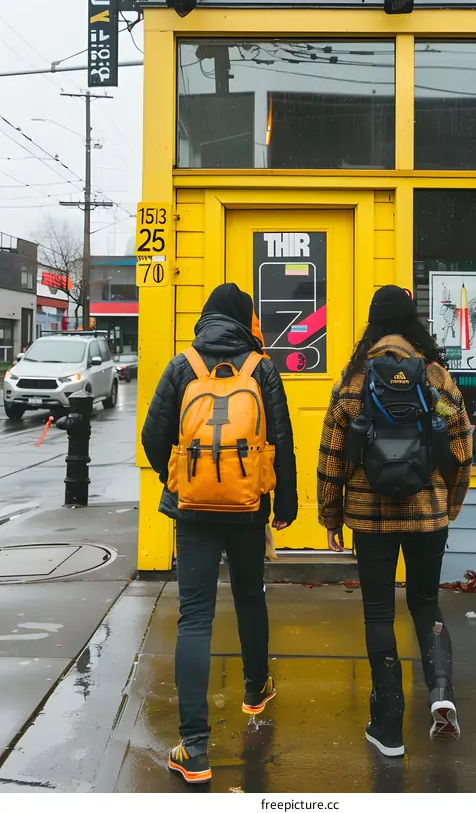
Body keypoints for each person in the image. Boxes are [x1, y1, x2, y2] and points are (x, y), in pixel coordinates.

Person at [142, 283, 298, 784]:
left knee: (195, 617)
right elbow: (282, 437)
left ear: (207, 318)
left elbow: (152, 434)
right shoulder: (262, 368)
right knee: (251, 596)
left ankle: (194, 749)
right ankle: (255, 690)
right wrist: (284, 505)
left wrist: (180, 477)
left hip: (193, 512)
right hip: (248, 509)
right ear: (245, 320)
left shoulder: (181, 365)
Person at [317, 285, 472, 758]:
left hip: (370, 518)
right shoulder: (435, 378)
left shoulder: (355, 382)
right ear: (412, 323)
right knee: (426, 604)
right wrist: (452, 502)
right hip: (429, 517)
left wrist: (332, 516)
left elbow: (331, 458)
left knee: (379, 613)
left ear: (374, 325)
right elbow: (461, 446)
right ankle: (441, 693)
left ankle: (388, 726)